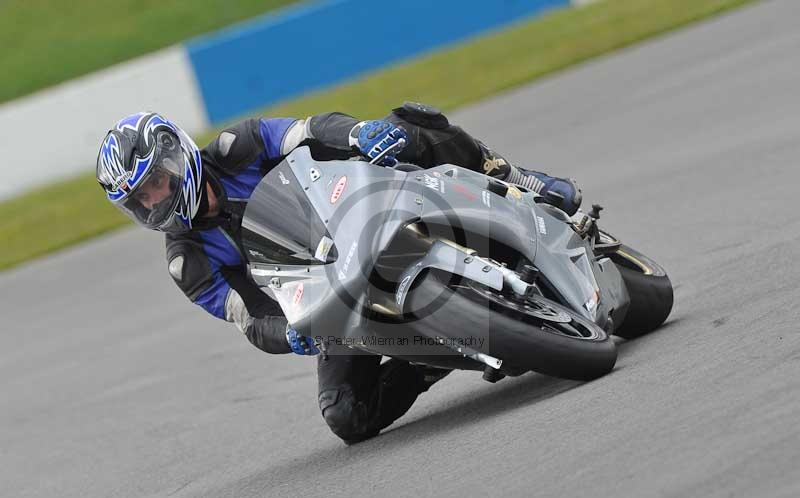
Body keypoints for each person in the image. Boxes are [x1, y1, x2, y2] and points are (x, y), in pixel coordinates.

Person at [95, 103, 582, 443]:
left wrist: (357, 134)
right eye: (142, 199)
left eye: (156, 182)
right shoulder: (188, 261)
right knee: (346, 412)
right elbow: (250, 319)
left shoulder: (235, 147)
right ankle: (434, 354)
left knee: (410, 124)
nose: (155, 200)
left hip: (358, 208)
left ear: (175, 155)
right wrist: (290, 333)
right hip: (331, 292)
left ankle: (513, 177)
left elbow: (309, 129)